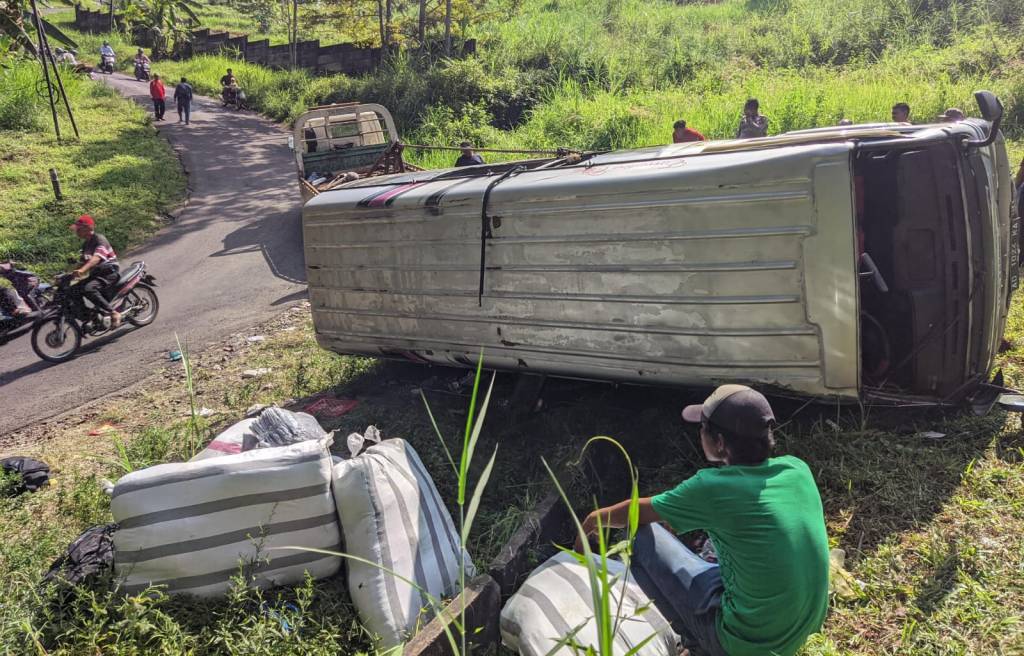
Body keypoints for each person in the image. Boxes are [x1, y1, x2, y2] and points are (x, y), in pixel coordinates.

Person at [578, 384, 829, 656]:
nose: (700, 433)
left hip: (745, 644)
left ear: (719, 442)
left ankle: (697, 645)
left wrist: (592, 520)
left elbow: (634, 513)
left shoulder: (711, 488)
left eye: (703, 428)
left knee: (641, 537)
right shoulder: (796, 469)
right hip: (798, 629)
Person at [71, 215, 121, 327]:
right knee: (73, 290)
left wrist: (82, 270)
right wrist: (70, 274)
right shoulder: (86, 244)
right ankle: (90, 317)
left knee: (88, 289)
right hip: (97, 274)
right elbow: (82, 262)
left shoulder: (99, 239)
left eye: (79, 229)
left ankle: (114, 313)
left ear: (88, 228)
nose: (77, 231)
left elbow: (96, 258)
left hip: (109, 272)